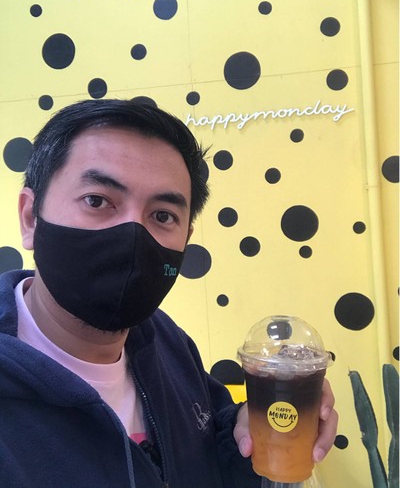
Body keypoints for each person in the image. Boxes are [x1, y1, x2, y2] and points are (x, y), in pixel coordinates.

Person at [0, 99, 338, 487]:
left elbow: (209, 455)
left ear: (186, 238)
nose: (132, 236)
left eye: (162, 216)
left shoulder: (167, 342)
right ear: (30, 217)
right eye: (97, 201)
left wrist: (247, 433)